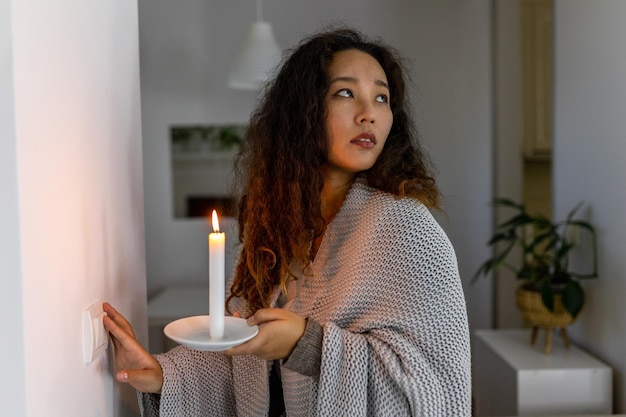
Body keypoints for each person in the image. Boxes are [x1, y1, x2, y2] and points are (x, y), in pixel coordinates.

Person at [104, 27, 471, 416]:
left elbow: (438, 393)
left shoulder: (408, 231)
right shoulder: (274, 232)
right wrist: (160, 373)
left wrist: (306, 343)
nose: (369, 113)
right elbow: (240, 369)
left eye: (382, 98)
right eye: (346, 93)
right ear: (304, 112)